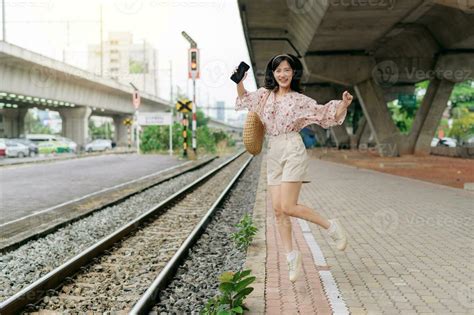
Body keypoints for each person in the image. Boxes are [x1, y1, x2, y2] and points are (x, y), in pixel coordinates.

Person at [233, 53, 353, 282]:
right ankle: (291, 256)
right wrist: (239, 81)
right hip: (274, 150)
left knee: (288, 205)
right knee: (278, 210)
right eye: (278, 70)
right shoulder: (264, 96)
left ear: (293, 73)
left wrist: (343, 104)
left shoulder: (300, 100)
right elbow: (245, 100)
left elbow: (324, 115)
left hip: (292, 148)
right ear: (273, 73)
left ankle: (331, 227)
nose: (282, 74)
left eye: (287, 70)